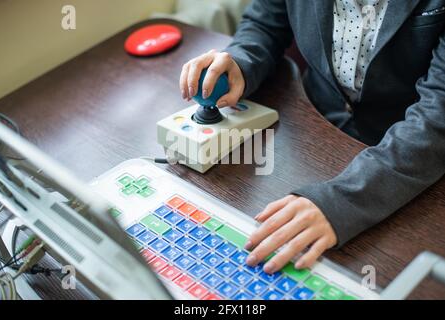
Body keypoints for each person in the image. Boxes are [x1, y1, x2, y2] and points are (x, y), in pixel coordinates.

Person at [179, 0, 445, 274]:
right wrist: (241, 62)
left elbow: (437, 119)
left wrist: (342, 202)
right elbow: (264, 24)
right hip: (309, 124)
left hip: (404, 154)